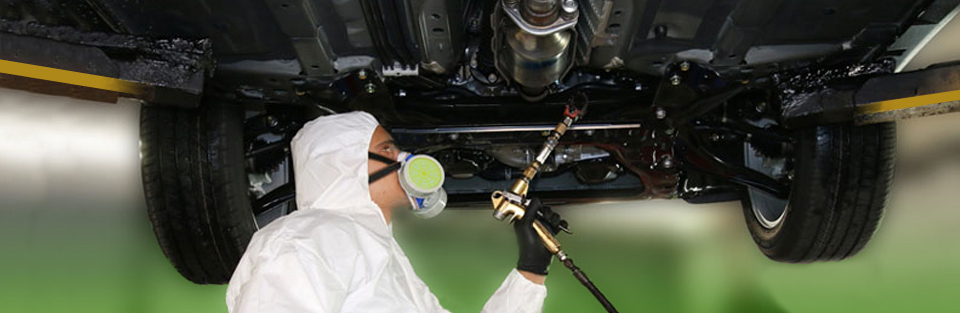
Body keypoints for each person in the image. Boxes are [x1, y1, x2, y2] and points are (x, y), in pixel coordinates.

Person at [226, 111, 563, 313]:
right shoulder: (308, 236)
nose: (405, 158)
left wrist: (531, 270)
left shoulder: (385, 258)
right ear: (346, 164)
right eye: (388, 149)